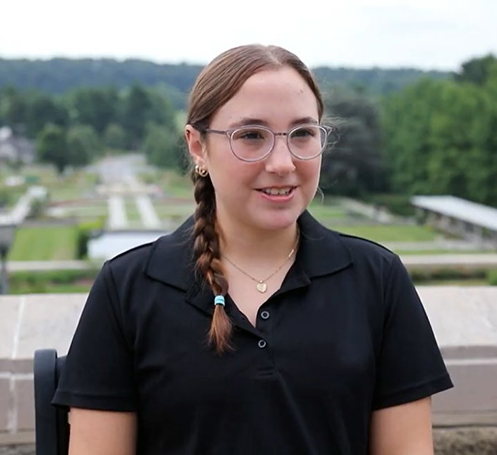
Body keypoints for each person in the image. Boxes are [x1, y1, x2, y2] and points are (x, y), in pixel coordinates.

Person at [53, 44, 453, 455]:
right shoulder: (128, 289)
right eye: (251, 136)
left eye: (302, 134)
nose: (283, 162)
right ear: (197, 146)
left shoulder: (377, 280)